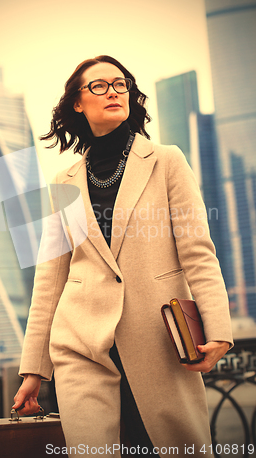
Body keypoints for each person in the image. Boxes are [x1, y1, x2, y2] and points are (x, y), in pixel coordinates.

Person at [13, 55, 233, 457]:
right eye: (99, 85)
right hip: (81, 345)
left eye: (120, 84)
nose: (113, 91)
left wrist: (218, 327)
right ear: (77, 103)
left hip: (160, 341)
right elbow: (49, 278)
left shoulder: (167, 161)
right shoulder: (63, 182)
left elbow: (197, 251)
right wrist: (33, 369)